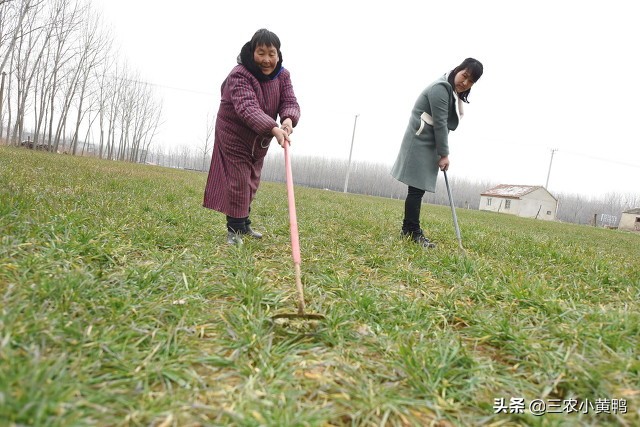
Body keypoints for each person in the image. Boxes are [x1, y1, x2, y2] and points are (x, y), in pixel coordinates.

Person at [203, 29, 301, 245]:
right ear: (252, 51)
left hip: (260, 137)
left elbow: (289, 101)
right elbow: (248, 107)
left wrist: (287, 120)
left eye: (271, 53)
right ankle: (234, 230)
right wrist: (272, 127)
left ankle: (244, 223)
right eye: (261, 53)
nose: (266, 60)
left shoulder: (282, 75)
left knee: (252, 180)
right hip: (234, 132)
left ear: (278, 54)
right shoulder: (240, 74)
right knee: (238, 179)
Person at [391, 58, 483, 248]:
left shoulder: (451, 91)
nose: (465, 83)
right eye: (464, 76)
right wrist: (444, 154)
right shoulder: (440, 89)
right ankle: (411, 231)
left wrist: (441, 152)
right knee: (416, 189)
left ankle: (409, 229)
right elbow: (440, 123)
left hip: (427, 140)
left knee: (417, 189)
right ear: (458, 69)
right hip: (420, 140)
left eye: (470, 81)